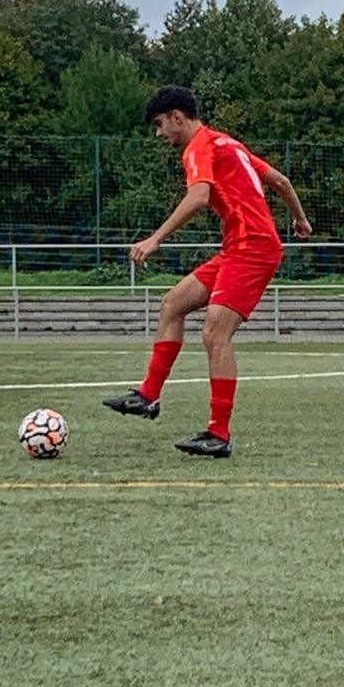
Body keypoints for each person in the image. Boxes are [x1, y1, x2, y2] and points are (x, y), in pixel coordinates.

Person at [103, 86, 312, 458]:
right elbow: (281, 181)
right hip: (239, 247)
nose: (159, 133)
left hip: (253, 249)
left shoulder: (198, 148)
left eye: (160, 124)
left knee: (215, 333)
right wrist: (300, 219)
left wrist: (155, 239)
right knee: (173, 304)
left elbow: (198, 198)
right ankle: (148, 396)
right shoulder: (228, 144)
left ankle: (219, 434)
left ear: (177, 117)